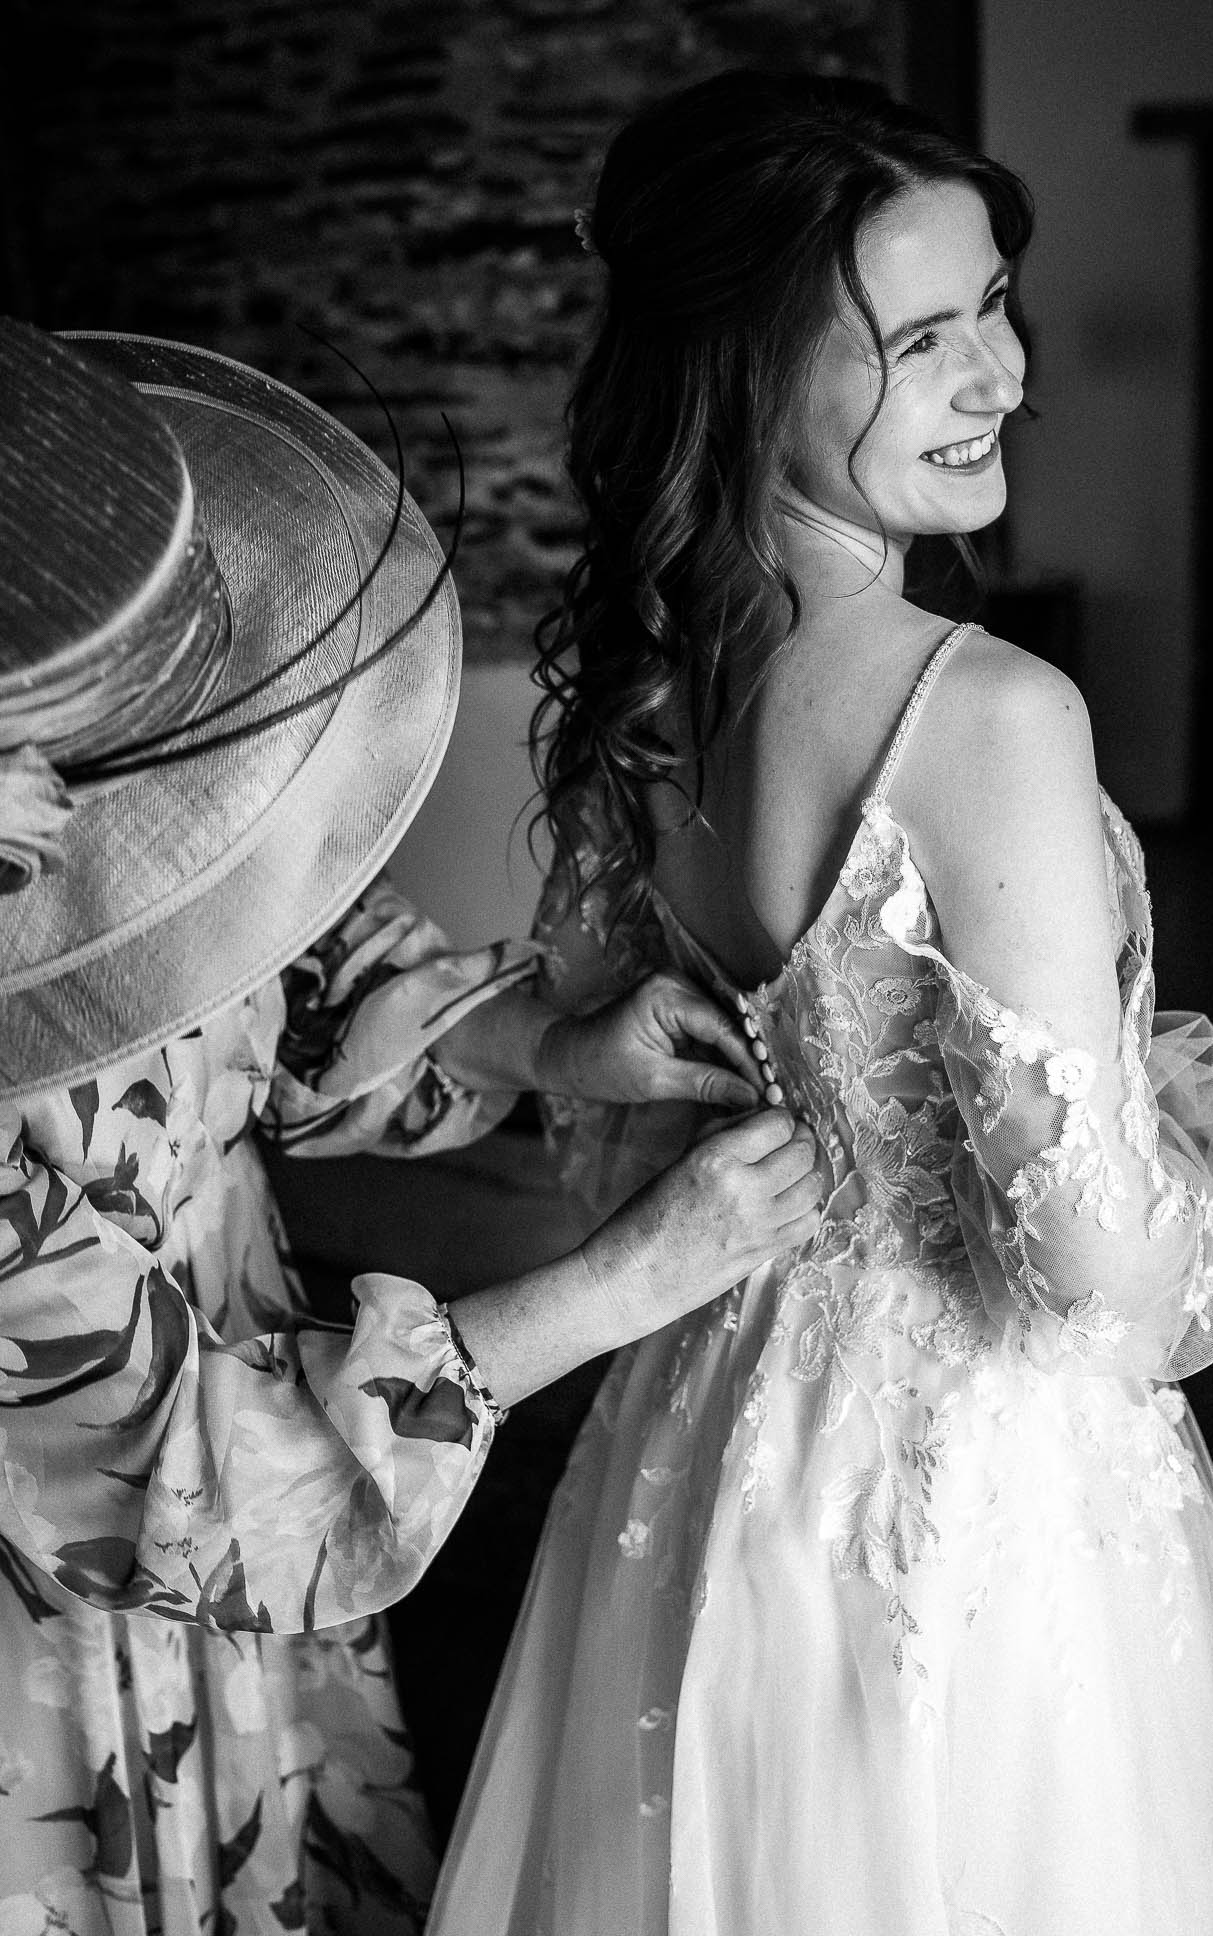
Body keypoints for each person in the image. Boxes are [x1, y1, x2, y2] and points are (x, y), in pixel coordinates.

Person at [433, 71, 1213, 1935]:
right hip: (968, 1496)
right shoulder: (985, 714)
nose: (1000, 373)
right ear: (748, 376)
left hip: (707, 1437)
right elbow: (1091, 1277)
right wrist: (1182, 1147)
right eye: (921, 341)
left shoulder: (650, 703)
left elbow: (618, 1118)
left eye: (991, 305)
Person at [0, 317, 822, 1933]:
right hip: (76, 1640)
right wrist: (622, 1282)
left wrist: (553, 1046)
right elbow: (187, 1473)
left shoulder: (100, 822)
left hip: (244, 1619)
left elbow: (278, 999)